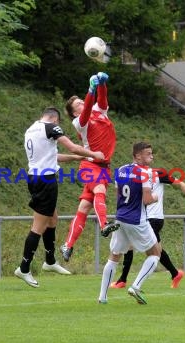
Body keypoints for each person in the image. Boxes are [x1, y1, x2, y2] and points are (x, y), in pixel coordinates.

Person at [15, 107, 104, 288]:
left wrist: (77, 159)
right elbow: (72, 146)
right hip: (45, 181)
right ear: (56, 120)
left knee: (52, 219)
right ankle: (24, 268)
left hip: (36, 178)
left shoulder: (32, 129)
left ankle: (50, 260)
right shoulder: (51, 127)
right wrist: (93, 154)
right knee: (38, 227)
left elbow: (54, 156)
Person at [109, 166, 185, 289]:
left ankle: (123, 281)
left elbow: (182, 184)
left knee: (136, 247)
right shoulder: (134, 175)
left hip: (153, 218)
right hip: (140, 217)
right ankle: (175, 273)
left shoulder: (158, 173)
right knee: (154, 249)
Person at [60, 72, 119, 262]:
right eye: (77, 104)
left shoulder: (99, 111)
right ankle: (104, 225)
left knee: (85, 207)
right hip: (89, 165)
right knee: (100, 189)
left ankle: (67, 244)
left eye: (81, 101)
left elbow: (102, 100)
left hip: (103, 166)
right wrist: (90, 90)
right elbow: (86, 113)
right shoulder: (79, 122)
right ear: (74, 112)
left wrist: (101, 84)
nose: (81, 104)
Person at [98, 142, 163, 304]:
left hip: (120, 217)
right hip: (137, 220)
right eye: (148, 153)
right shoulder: (144, 173)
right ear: (138, 156)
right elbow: (147, 199)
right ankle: (135, 286)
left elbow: (117, 192)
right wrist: (155, 197)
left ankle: (102, 297)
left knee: (114, 257)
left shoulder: (120, 170)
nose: (151, 156)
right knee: (155, 253)